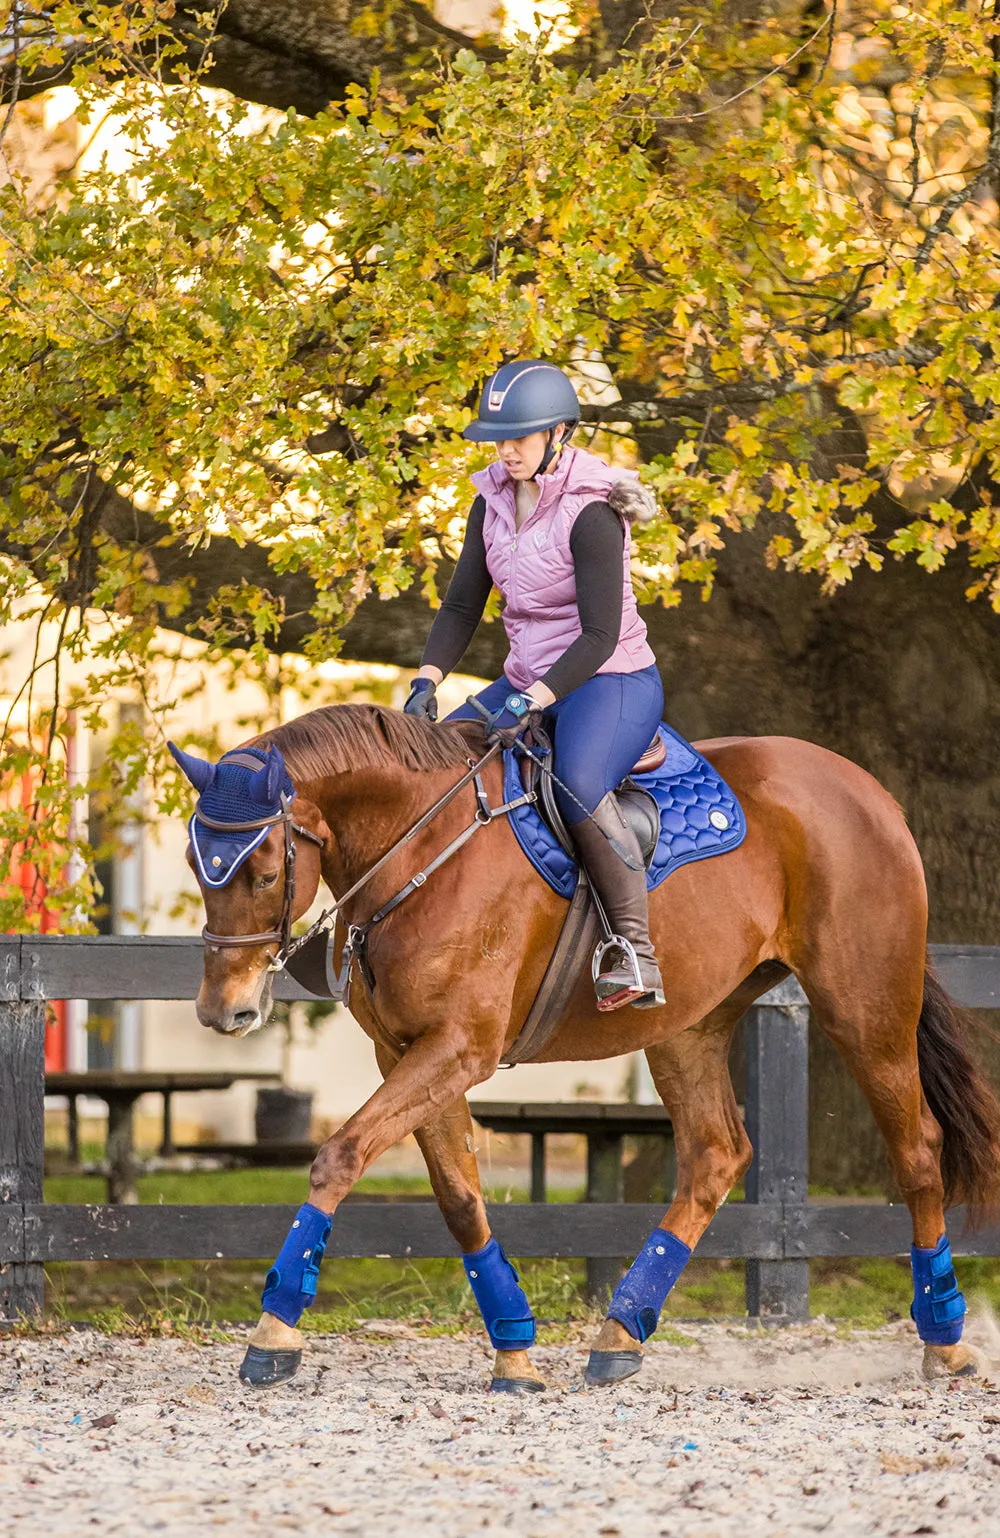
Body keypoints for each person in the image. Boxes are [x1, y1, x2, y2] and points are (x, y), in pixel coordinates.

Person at [404, 359, 665, 1010]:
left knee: (575, 779)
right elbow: (463, 606)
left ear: (561, 433)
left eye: (521, 436)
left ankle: (634, 949)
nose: (507, 449)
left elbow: (600, 636)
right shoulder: (489, 497)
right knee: (443, 759)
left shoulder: (592, 511)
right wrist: (426, 680)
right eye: (500, 436)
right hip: (527, 676)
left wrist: (533, 699)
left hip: (610, 678)